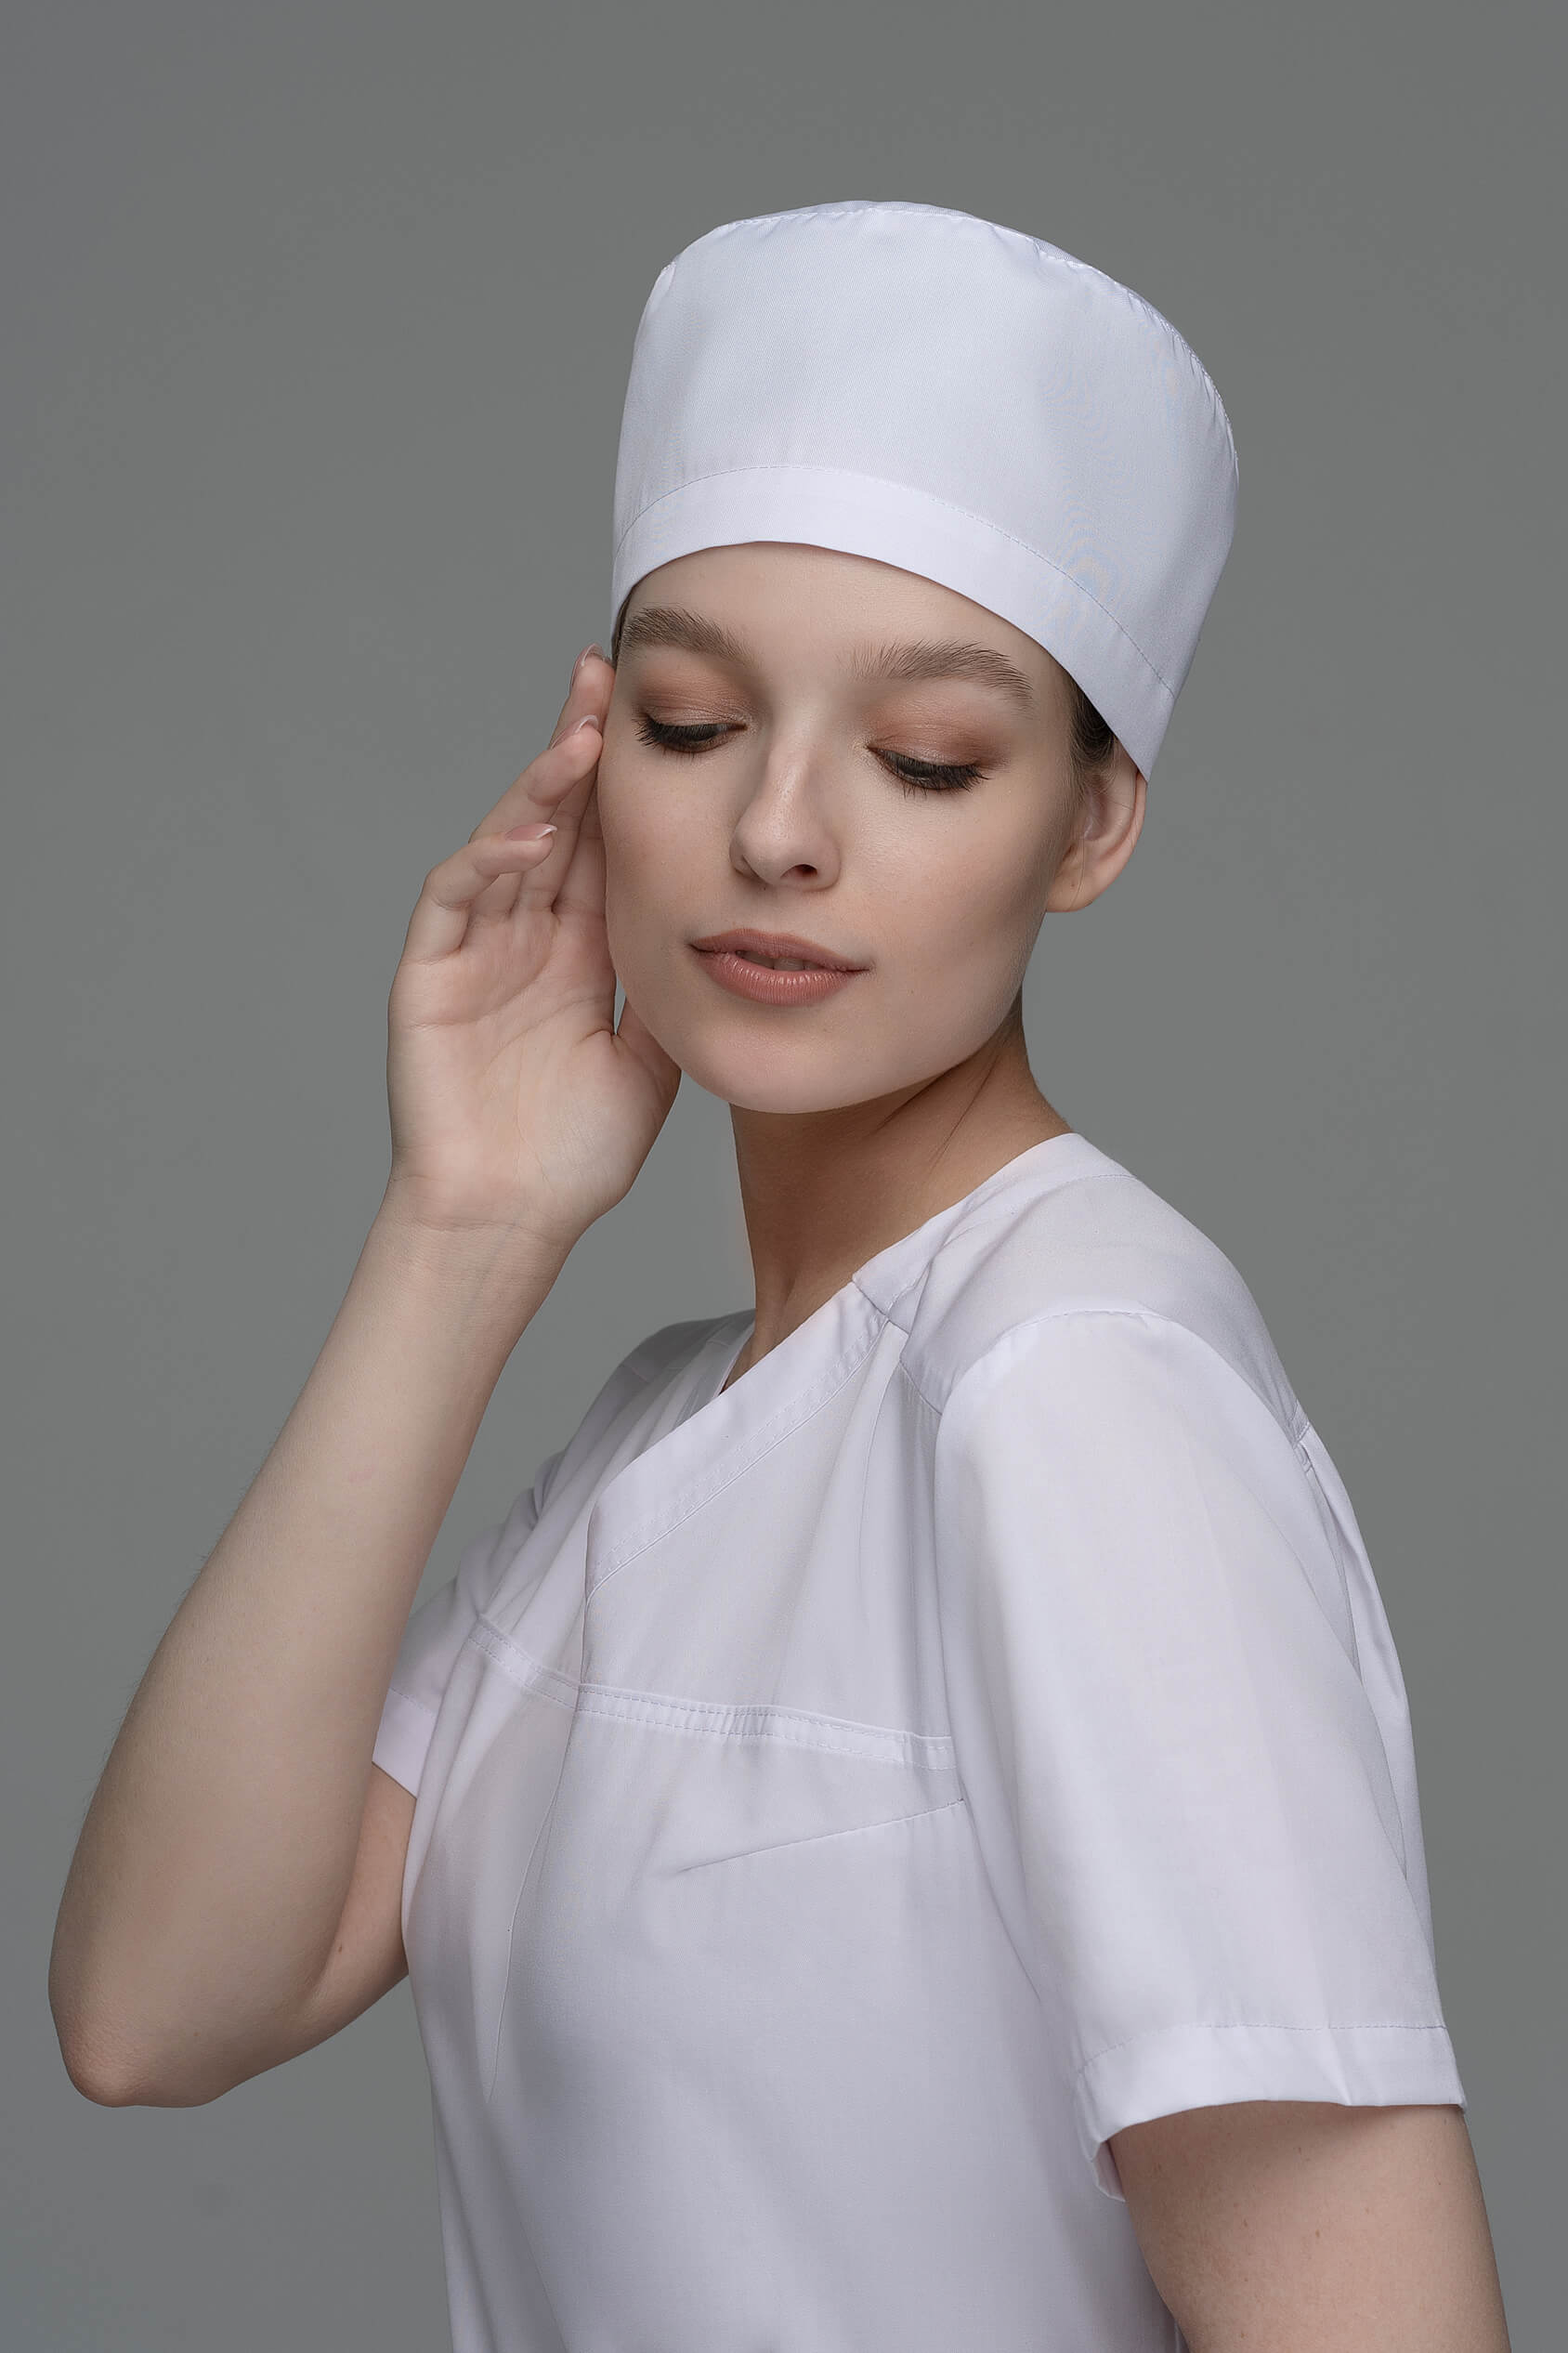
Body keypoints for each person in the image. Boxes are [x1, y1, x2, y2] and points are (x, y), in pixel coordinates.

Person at [49, 202, 1510, 2350]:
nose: (779, 830)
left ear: (1089, 823)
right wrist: (462, 1225)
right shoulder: (666, 1425)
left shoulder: (1072, 1379)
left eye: (926, 757)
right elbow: (158, 2005)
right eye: (689, 718)